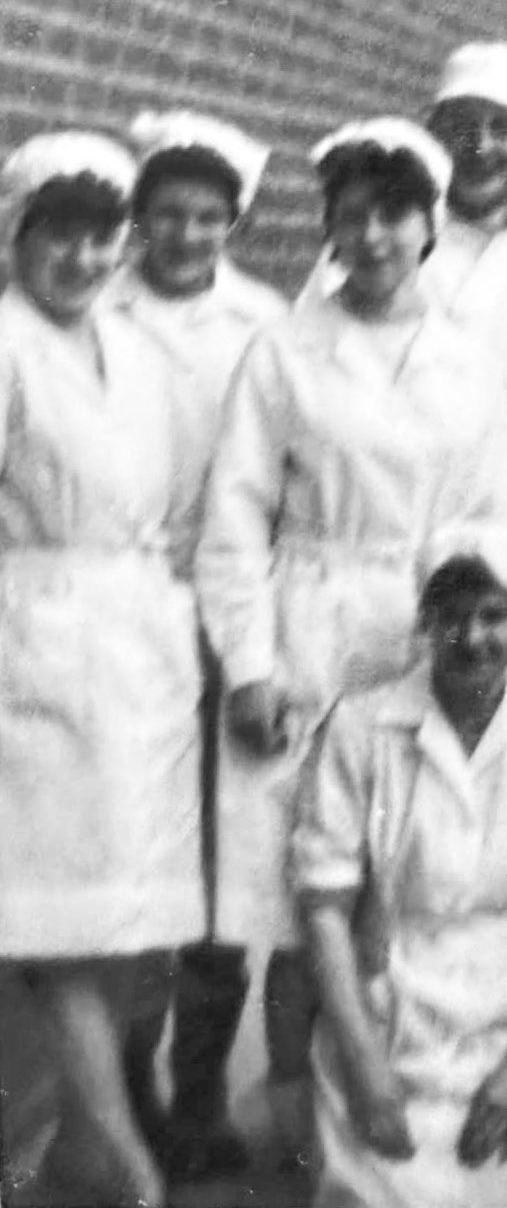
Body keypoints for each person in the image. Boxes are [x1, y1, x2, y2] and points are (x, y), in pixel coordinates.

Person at [195, 117, 507, 1161]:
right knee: (305, 906)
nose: (373, 236)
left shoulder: (468, 364)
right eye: (351, 217)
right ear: (328, 228)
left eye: (392, 215)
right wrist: (248, 665)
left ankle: (387, 1111)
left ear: (427, 225)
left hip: (426, 640)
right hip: (309, 633)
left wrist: (479, 653)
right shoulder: (283, 350)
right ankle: (299, 1121)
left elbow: (490, 521)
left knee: (400, 893)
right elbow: (235, 517)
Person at [0, 132, 204, 1207]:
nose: (81, 259)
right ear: (18, 238)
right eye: (58, 238)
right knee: (59, 918)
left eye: (99, 238)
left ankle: (85, 1139)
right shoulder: (5, 343)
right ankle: (118, 1155)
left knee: (125, 911)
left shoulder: (132, 351)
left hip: (134, 657)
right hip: (35, 651)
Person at [300, 41, 507, 676]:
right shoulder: (375, 244)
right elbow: (304, 388)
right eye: (459, 126)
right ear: (431, 134)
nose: (479, 146)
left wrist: (495, 399)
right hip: (365, 555)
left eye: (502, 127)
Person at [293, 524, 507, 1208]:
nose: (472, 637)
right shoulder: (360, 727)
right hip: (388, 1014)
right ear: (424, 621)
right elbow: (324, 907)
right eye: (451, 617)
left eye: (493, 616)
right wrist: (365, 1068)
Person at [110, 109, 286, 1181]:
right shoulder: (96, 307)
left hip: (225, 611)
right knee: (135, 860)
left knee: (222, 876)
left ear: (234, 224)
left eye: (207, 219)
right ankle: (129, 1101)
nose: (184, 238)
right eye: (166, 216)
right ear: (139, 219)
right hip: (123, 611)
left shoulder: (264, 324)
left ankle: (203, 1093)